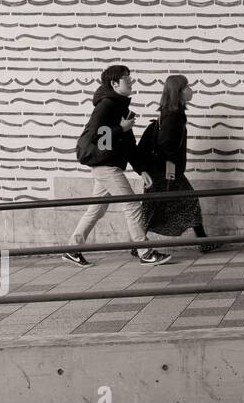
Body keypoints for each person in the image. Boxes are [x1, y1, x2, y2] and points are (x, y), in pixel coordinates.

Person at [63, 65, 171, 267]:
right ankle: (145, 252)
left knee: (96, 210)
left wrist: (141, 169)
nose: (131, 82)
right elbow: (100, 139)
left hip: (108, 165)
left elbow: (128, 144)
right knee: (132, 205)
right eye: (126, 79)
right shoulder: (106, 105)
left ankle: (72, 249)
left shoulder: (119, 106)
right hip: (106, 165)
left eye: (130, 78)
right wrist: (120, 128)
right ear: (114, 84)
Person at [137, 75, 221, 254]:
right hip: (165, 171)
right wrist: (170, 168)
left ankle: (138, 245)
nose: (190, 90)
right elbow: (165, 144)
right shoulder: (173, 116)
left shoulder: (173, 113)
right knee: (159, 205)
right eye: (186, 87)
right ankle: (138, 245)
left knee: (159, 205)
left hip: (165, 170)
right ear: (178, 92)